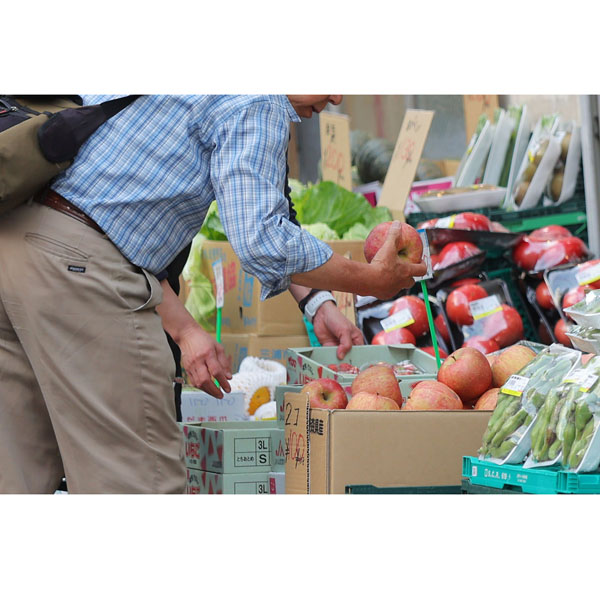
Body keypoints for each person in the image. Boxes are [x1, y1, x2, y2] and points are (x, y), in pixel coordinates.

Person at [0, 95, 426, 494]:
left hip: (18, 247)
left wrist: (316, 301)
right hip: (79, 272)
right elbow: (262, 239)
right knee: (137, 483)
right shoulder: (258, 99)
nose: (335, 98)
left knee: (19, 473)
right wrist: (371, 280)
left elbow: (116, 209)